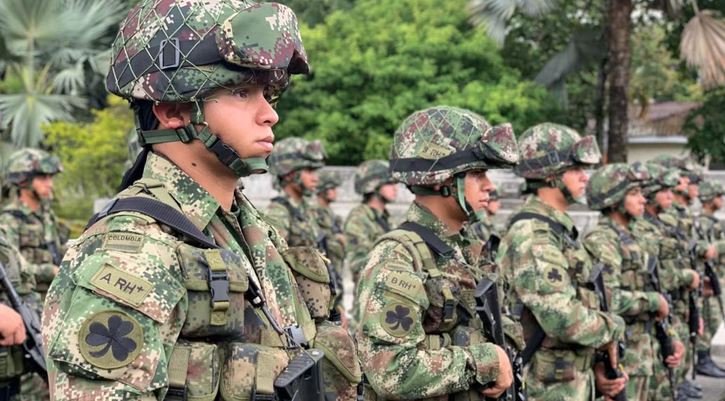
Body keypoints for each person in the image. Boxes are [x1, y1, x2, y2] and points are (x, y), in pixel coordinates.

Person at [41, 1, 361, 400]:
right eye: (241, 92)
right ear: (174, 110)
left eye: (268, 94)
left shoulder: (248, 229)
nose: (269, 115)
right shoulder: (133, 253)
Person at [356, 105, 516, 400]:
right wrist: (484, 361)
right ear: (442, 179)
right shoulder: (397, 257)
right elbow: (390, 371)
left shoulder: (468, 248)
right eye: (477, 173)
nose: (489, 186)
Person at [497, 122, 626, 401]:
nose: (584, 178)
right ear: (551, 175)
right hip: (546, 388)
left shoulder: (557, 229)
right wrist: (613, 327)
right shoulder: (534, 234)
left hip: (567, 380)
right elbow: (560, 317)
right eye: (575, 169)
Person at [583, 162, 671, 401]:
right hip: (623, 354)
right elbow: (607, 300)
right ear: (614, 199)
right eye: (634, 193)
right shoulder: (603, 240)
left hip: (644, 349)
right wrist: (653, 301)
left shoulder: (633, 235)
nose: (643, 199)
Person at [631, 163, 693, 401]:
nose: (670, 195)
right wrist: (686, 276)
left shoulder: (661, 224)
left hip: (666, 307)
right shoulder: (640, 230)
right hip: (644, 318)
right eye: (664, 191)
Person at [0, 148, 65, 302]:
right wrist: (49, 271)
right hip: (29, 299)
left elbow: (56, 250)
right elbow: (10, 269)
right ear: (23, 180)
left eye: (50, 177)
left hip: (56, 294)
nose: (49, 184)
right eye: (42, 178)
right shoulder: (10, 220)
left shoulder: (47, 215)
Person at [343, 160, 397, 287]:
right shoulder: (358, 219)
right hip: (370, 290)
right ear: (373, 185)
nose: (395, 188)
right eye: (389, 183)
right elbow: (358, 264)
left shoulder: (385, 218)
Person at [265, 137, 325, 246]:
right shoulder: (278, 214)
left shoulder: (306, 207)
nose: (315, 178)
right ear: (289, 174)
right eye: (309, 171)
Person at [692, 180, 725, 377]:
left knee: (715, 318)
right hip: (708, 280)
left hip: (717, 278)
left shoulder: (713, 222)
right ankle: (702, 359)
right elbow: (706, 250)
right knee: (710, 318)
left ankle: (706, 358)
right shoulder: (702, 223)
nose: (722, 200)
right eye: (718, 196)